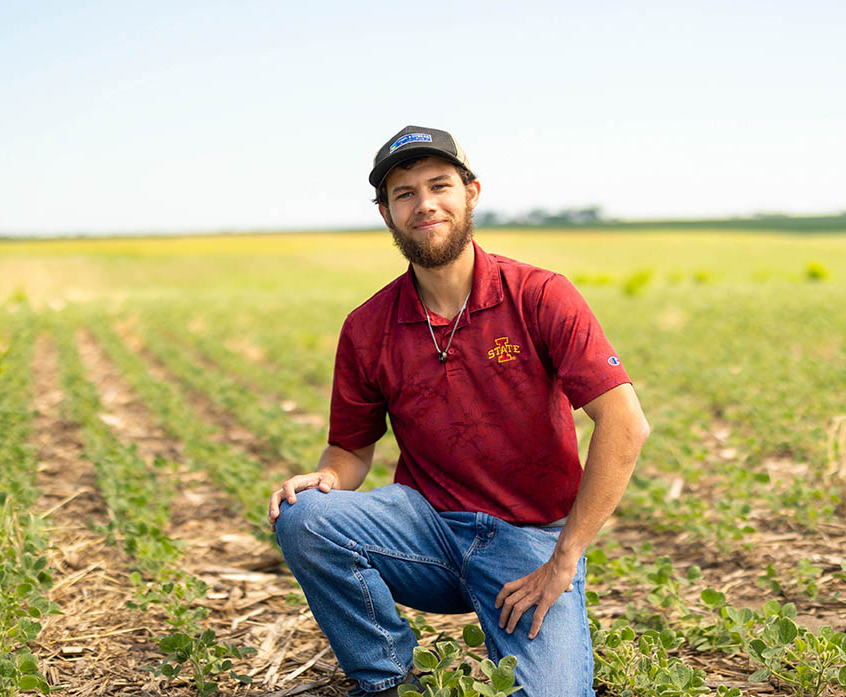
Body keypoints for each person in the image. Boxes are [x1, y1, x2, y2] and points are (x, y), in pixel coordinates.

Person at [267, 125, 650, 697]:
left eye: (439, 185)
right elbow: (350, 448)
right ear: (386, 213)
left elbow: (625, 422)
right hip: (425, 530)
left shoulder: (539, 296)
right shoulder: (368, 326)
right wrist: (327, 478)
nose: (425, 204)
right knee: (304, 516)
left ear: (471, 192)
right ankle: (385, 679)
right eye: (404, 193)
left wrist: (564, 556)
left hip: (529, 544)